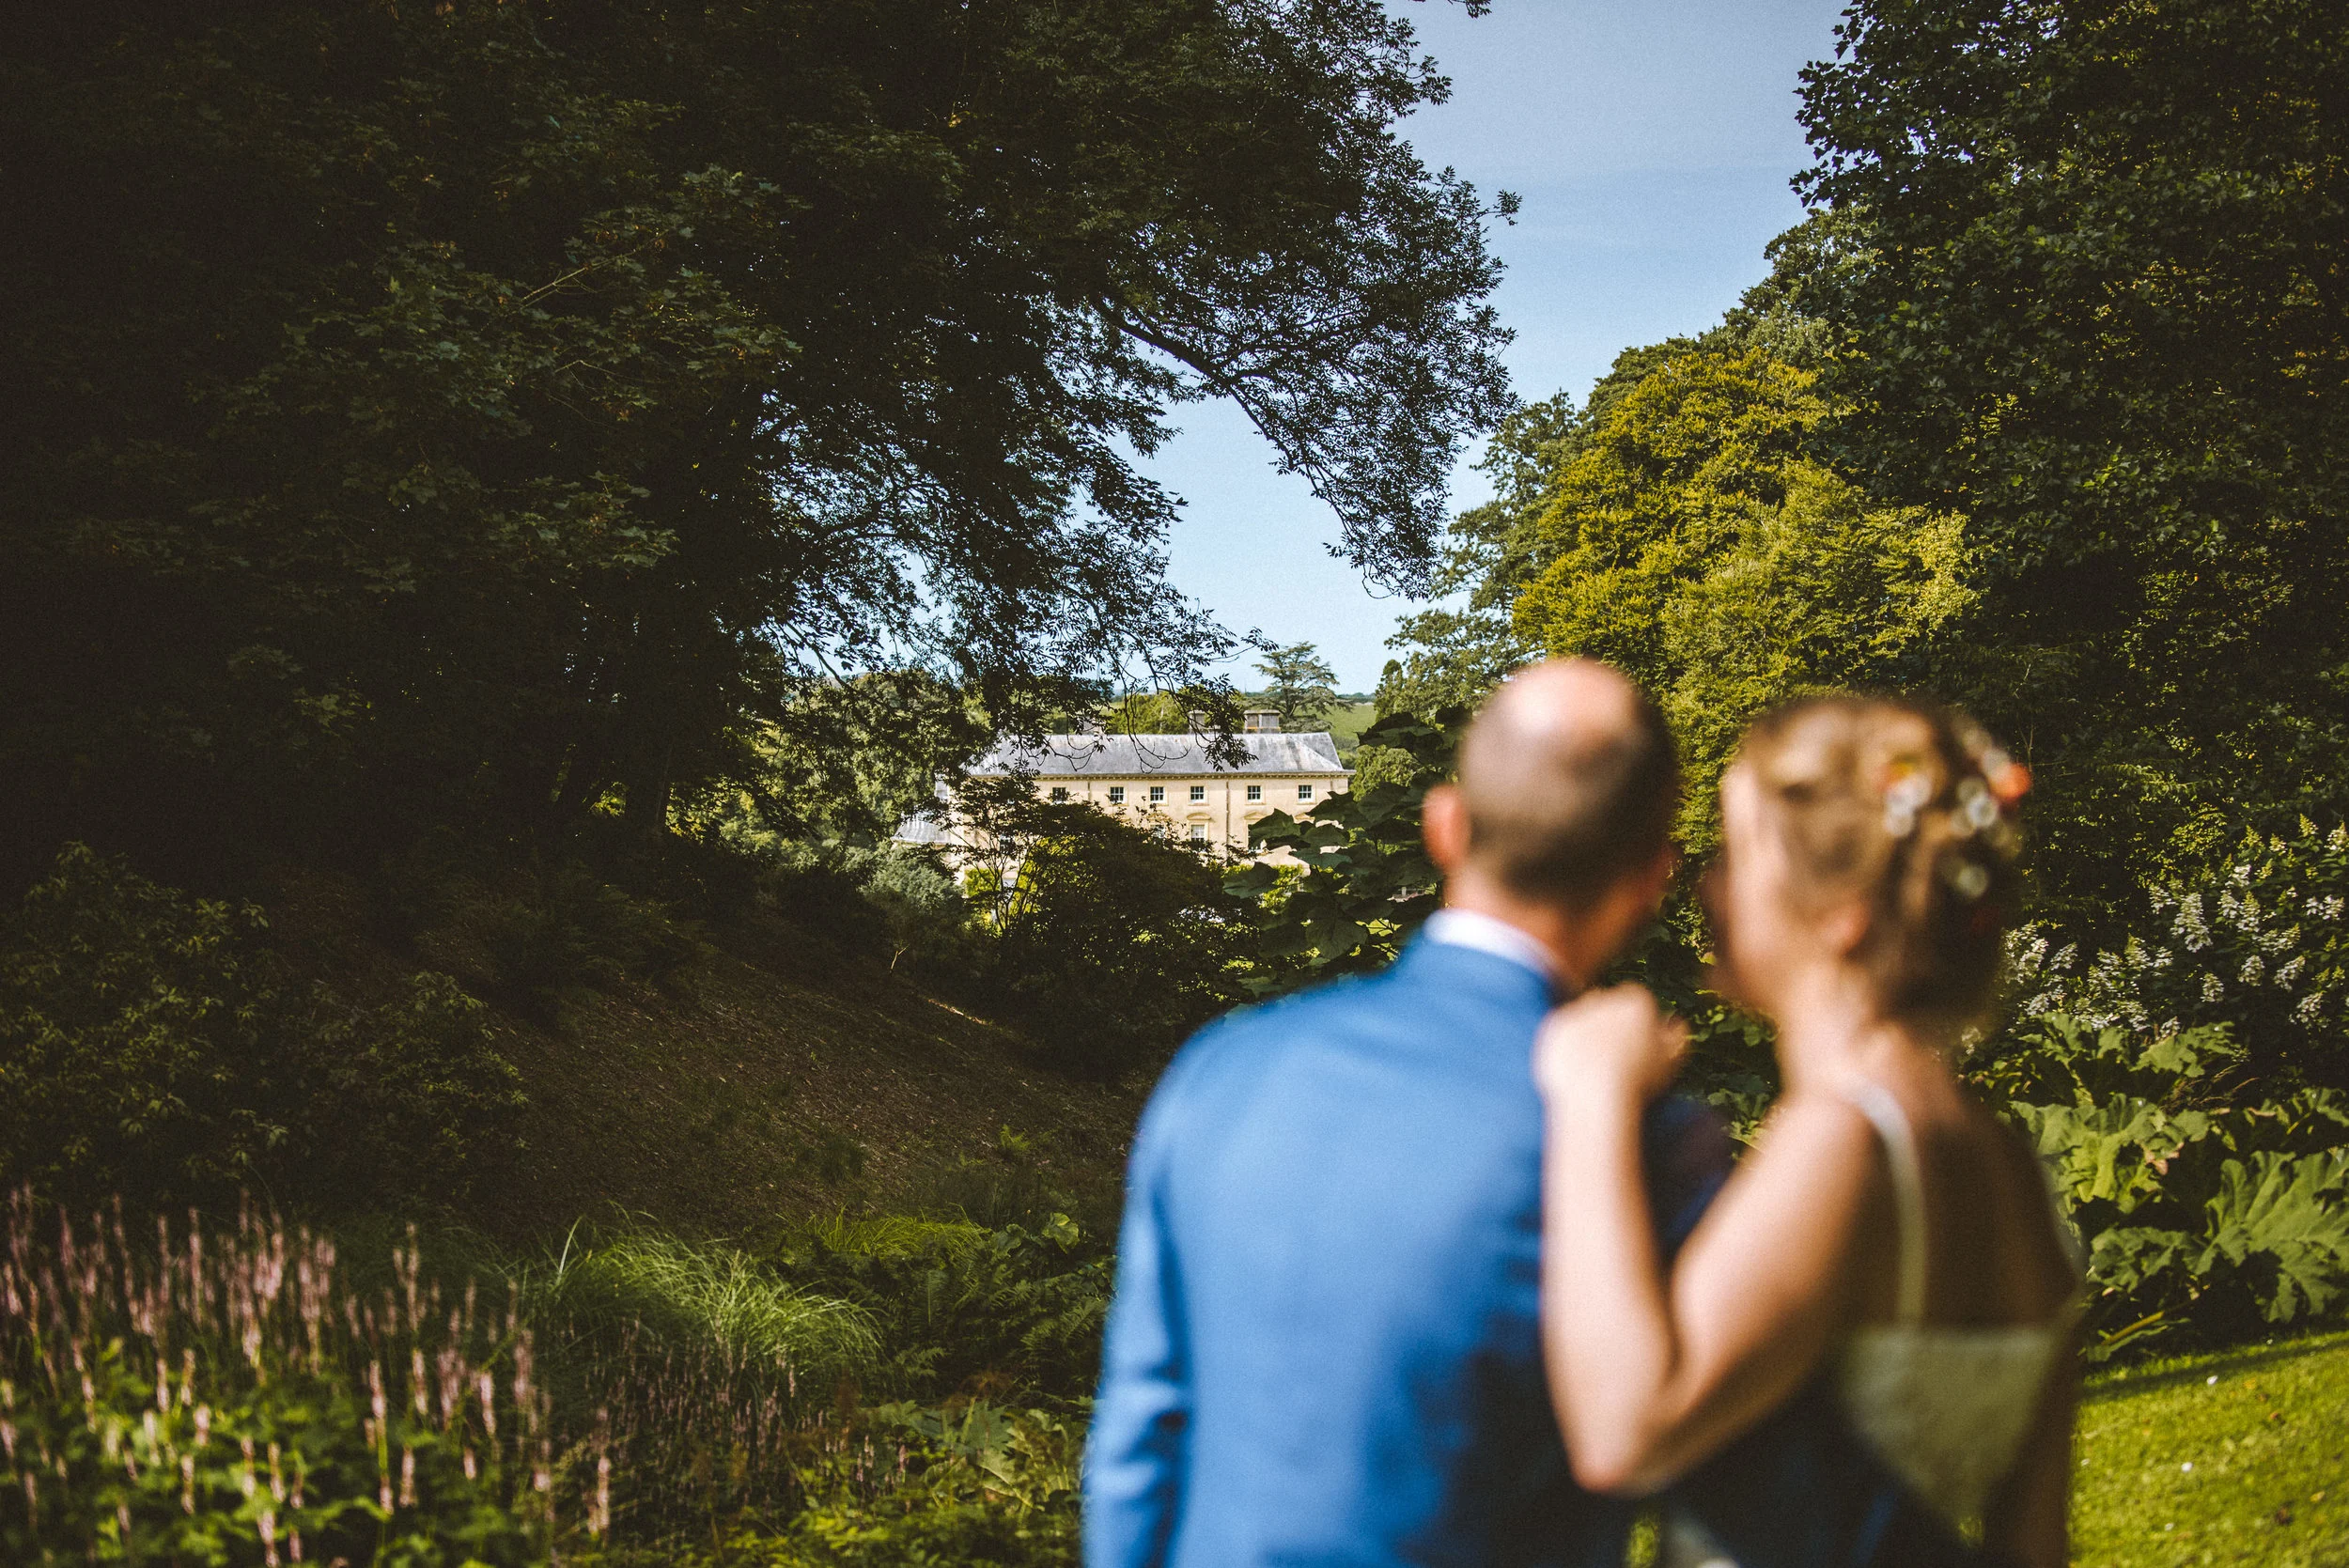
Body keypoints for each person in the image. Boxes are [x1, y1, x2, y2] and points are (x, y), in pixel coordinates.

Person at [1085, 662, 1999, 1568]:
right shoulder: (1643, 1143)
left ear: (1444, 825)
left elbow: (1138, 1441)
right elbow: (1772, 1493)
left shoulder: (1217, 1072)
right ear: (1651, 879)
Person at [1534, 695, 2080, 1568]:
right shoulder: (2008, 1162)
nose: (1702, 883)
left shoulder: (1845, 1137)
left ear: (1842, 913)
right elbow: (2035, 1544)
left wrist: (1591, 1095)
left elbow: (1626, 1428)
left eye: (1737, 853)